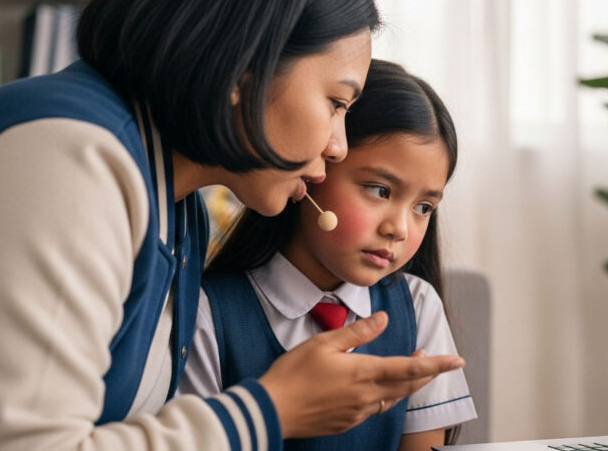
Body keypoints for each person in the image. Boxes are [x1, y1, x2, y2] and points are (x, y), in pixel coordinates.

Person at [0, 0, 463, 450]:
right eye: (336, 102)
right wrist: (269, 410)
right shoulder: (67, 157)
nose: (337, 145)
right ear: (243, 71)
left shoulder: (179, 209)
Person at [181, 60, 475, 451]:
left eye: (423, 207)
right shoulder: (207, 312)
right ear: (314, 168)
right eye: (379, 190)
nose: (399, 228)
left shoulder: (418, 307)